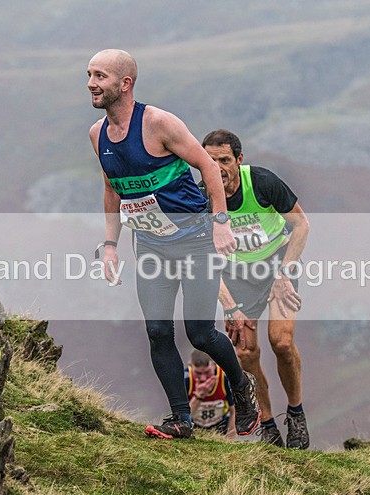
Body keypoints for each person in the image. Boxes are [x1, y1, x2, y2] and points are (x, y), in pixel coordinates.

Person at [86, 49, 259, 440]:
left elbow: (208, 167)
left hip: (196, 239)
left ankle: (241, 386)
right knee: (158, 331)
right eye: (89, 75)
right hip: (150, 245)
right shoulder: (98, 134)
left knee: (200, 333)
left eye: (100, 76)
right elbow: (112, 188)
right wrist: (110, 245)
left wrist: (220, 222)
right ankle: (181, 419)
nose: (91, 84)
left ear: (124, 84)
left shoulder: (158, 123)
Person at [201, 129, 311, 449]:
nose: (218, 168)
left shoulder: (262, 182)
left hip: (279, 265)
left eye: (224, 160)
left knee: (282, 341)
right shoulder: (201, 199)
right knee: (245, 351)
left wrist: (284, 272)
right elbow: (206, 261)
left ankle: (296, 413)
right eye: (209, 162)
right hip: (237, 275)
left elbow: (301, 225)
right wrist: (229, 306)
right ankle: (267, 423)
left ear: (239, 159)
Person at [185, 350, 236, 438]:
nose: (203, 378)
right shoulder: (185, 379)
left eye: (207, 372)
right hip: (194, 428)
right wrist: (198, 396)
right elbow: (184, 418)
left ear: (214, 364)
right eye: (198, 373)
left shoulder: (224, 377)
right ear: (190, 366)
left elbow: (234, 410)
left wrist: (229, 439)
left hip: (221, 426)